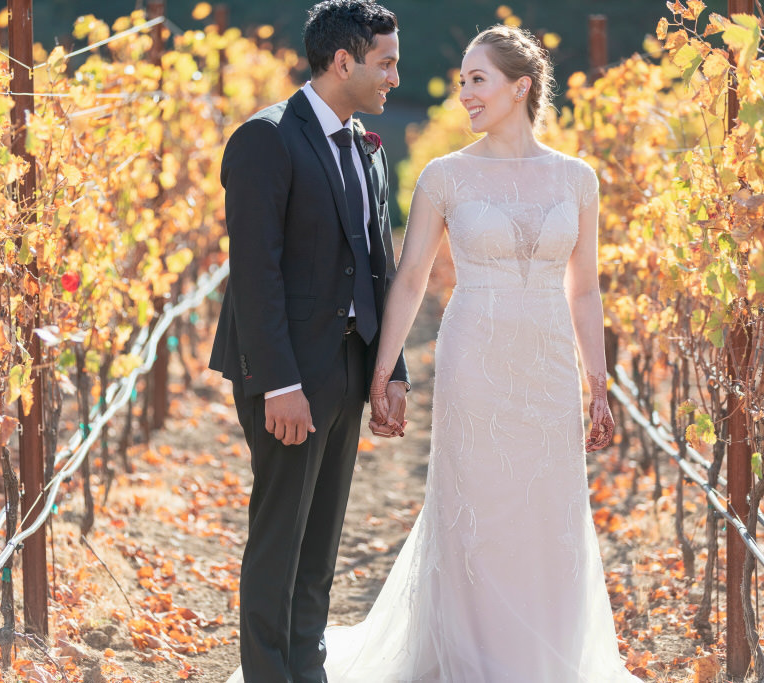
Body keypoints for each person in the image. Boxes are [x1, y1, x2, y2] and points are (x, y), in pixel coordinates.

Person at [303, 24, 643, 681]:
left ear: (521, 87)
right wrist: (383, 372)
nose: (464, 94)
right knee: (479, 509)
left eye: (477, 79)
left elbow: (584, 291)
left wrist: (598, 383)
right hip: (474, 362)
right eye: (461, 81)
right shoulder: (445, 176)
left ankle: (540, 660)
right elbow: (408, 281)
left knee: (548, 513)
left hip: (548, 368)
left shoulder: (577, 178)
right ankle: (474, 658)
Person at [208, 2, 410, 681]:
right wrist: (279, 384)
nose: (394, 78)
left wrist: (391, 371)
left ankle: (307, 669)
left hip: (349, 370)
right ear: (343, 61)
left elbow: (380, 265)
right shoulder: (265, 139)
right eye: (385, 63)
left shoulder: (364, 146)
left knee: (320, 541)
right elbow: (255, 274)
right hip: (287, 375)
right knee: (279, 539)